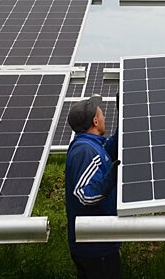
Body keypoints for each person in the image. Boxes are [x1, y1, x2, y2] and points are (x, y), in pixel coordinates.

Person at [65, 94, 121, 278]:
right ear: (95, 121)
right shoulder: (84, 151)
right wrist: (111, 176)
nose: (105, 117)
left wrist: (125, 116)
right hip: (95, 248)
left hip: (100, 241)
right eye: (102, 114)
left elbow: (110, 149)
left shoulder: (92, 145)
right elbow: (84, 194)